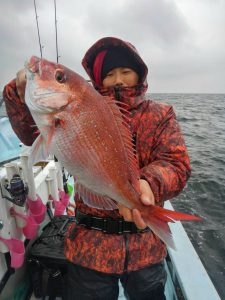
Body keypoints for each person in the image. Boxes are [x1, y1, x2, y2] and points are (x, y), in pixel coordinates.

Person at [3, 36, 191, 299]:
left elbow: (176, 163)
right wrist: (17, 89)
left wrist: (149, 183)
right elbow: (27, 134)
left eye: (126, 71)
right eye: (109, 74)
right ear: (96, 79)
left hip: (145, 249)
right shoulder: (80, 106)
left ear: (140, 74)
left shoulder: (159, 114)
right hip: (90, 246)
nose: (118, 79)